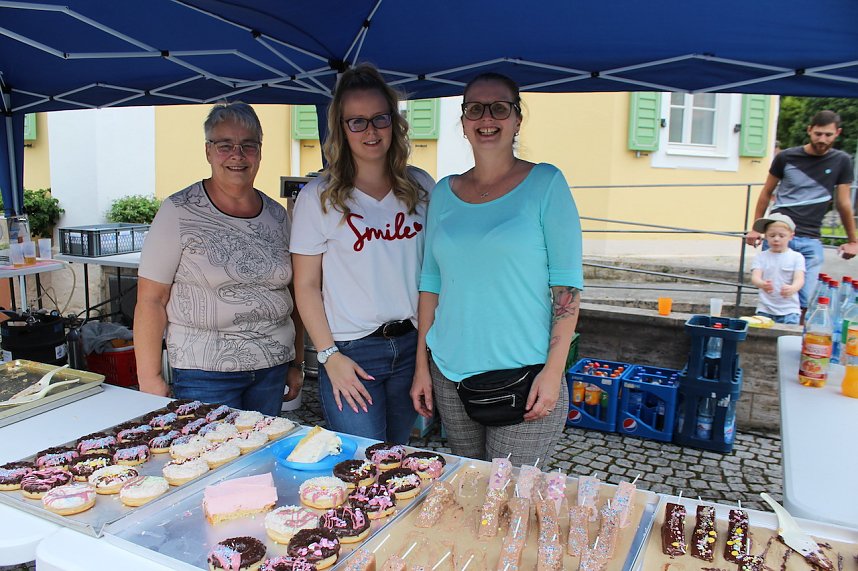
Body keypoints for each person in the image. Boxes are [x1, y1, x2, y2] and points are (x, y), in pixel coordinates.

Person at [411, 72, 583, 465]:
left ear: (517, 119)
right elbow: (430, 284)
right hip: (450, 374)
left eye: (499, 108)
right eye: (475, 108)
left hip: (524, 375)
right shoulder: (444, 192)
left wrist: (554, 373)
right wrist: (422, 366)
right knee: (470, 489)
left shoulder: (546, 183)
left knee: (509, 502)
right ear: (464, 121)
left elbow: (567, 288)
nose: (487, 118)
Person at [290, 64, 434, 444]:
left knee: (399, 454)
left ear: (394, 123)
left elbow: (434, 273)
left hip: (411, 345)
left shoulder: (421, 187)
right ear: (341, 128)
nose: (370, 131)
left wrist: (425, 354)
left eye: (379, 119)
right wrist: (327, 356)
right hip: (351, 352)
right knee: (362, 459)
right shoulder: (317, 197)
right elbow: (305, 285)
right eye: (357, 122)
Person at [134, 101, 303, 416]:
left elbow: (293, 293)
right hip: (204, 371)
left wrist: (296, 362)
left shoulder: (278, 216)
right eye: (225, 145)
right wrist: (150, 378)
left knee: (260, 455)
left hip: (272, 367)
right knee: (208, 456)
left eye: (248, 146)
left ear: (260, 152)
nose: (237, 155)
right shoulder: (179, 211)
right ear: (208, 151)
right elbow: (151, 300)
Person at [745, 110, 857, 321]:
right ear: (809, 131)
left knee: (806, 298)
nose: (822, 139)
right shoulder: (787, 157)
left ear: (837, 133)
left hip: (811, 238)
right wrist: (755, 227)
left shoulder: (841, 161)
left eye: (828, 135)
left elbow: (843, 203)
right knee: (771, 291)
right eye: (818, 134)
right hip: (779, 230)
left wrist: (853, 240)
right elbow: (766, 192)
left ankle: (797, 339)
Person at [749, 213, 806, 325]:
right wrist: (762, 283)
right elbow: (755, 277)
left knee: (788, 338)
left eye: (781, 236)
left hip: (789, 309)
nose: (776, 239)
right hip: (765, 308)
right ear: (766, 236)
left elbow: (800, 279)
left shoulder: (797, 257)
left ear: (791, 236)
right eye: (772, 235)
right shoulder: (761, 257)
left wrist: (793, 288)